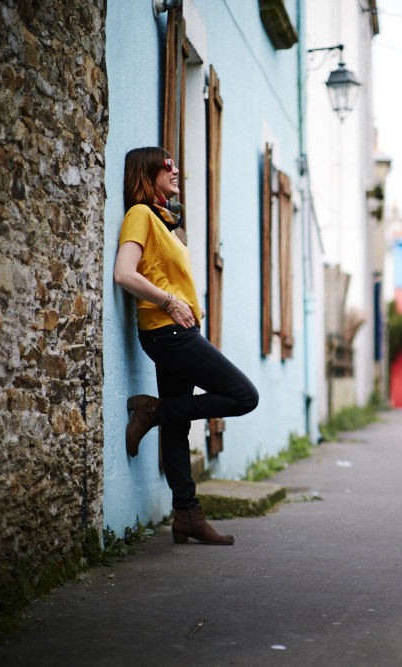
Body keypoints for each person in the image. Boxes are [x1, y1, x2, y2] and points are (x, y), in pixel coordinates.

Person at [114, 147, 259, 546]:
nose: (177, 171)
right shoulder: (140, 215)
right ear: (146, 173)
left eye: (177, 165)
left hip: (178, 332)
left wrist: (186, 303)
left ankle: (187, 516)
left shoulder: (166, 222)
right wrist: (170, 301)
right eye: (167, 166)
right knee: (244, 396)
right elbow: (124, 273)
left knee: (177, 427)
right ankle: (154, 410)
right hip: (167, 332)